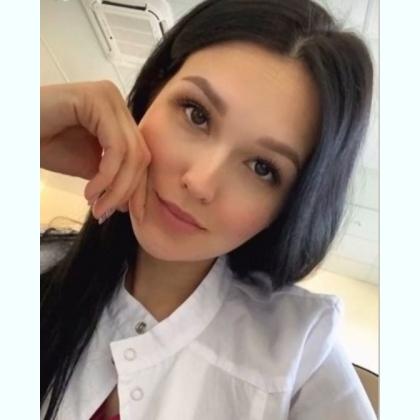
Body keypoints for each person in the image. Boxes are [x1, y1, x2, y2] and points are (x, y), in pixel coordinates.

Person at [40, 0, 376, 419]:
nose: (200, 182)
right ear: (153, 93)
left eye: (262, 168)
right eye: (197, 114)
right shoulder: (41, 266)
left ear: (286, 208)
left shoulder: (302, 355)